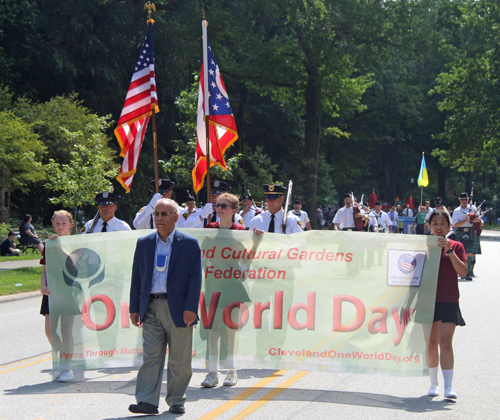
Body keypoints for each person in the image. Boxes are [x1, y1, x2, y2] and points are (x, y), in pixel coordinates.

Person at [128, 198, 202, 416]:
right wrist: (135, 307)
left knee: (179, 358)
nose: (159, 218)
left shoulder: (188, 244)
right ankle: (147, 401)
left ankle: (176, 399)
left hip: (178, 308)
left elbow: (195, 278)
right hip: (151, 307)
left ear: (175, 217)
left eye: (164, 214)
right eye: (157, 214)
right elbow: (137, 277)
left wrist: (191, 307)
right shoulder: (144, 243)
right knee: (151, 355)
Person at [201, 193, 263, 388]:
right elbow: (202, 259)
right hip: (213, 286)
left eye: (224, 206)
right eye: (218, 205)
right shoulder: (209, 230)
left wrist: (255, 243)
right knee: (212, 329)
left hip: (232, 287)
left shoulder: (240, 232)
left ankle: (231, 370)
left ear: (234, 210)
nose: (219, 208)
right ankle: (212, 373)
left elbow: (245, 263)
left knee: (231, 330)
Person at [426, 210, 467, 399]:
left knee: (446, 343)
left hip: (448, 299)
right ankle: (433, 384)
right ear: (429, 226)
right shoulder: (423, 246)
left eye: (442, 223)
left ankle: (449, 386)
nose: (438, 227)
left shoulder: (457, 246)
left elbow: (463, 272)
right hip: (427, 300)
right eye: (435, 223)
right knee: (432, 343)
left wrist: (449, 249)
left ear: (449, 227)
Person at [40, 210, 76, 383]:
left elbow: (73, 263)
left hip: (68, 291)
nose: (60, 226)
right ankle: (62, 362)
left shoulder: (77, 242)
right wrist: (43, 285)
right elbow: (44, 270)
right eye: (57, 223)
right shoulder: (49, 243)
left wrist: (59, 247)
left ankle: (67, 367)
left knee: (66, 331)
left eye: (64, 223)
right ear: (53, 225)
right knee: (49, 331)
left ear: (71, 224)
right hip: (51, 292)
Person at [451, 192, 483, 280]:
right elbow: (455, 224)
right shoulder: (457, 211)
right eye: (462, 199)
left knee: (470, 253)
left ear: (468, 199)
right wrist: (466, 220)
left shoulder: (473, 208)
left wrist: (475, 220)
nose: (464, 201)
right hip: (460, 232)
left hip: (471, 231)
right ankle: (463, 271)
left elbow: (479, 220)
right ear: (459, 200)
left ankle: (468, 273)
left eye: (465, 199)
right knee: (462, 253)